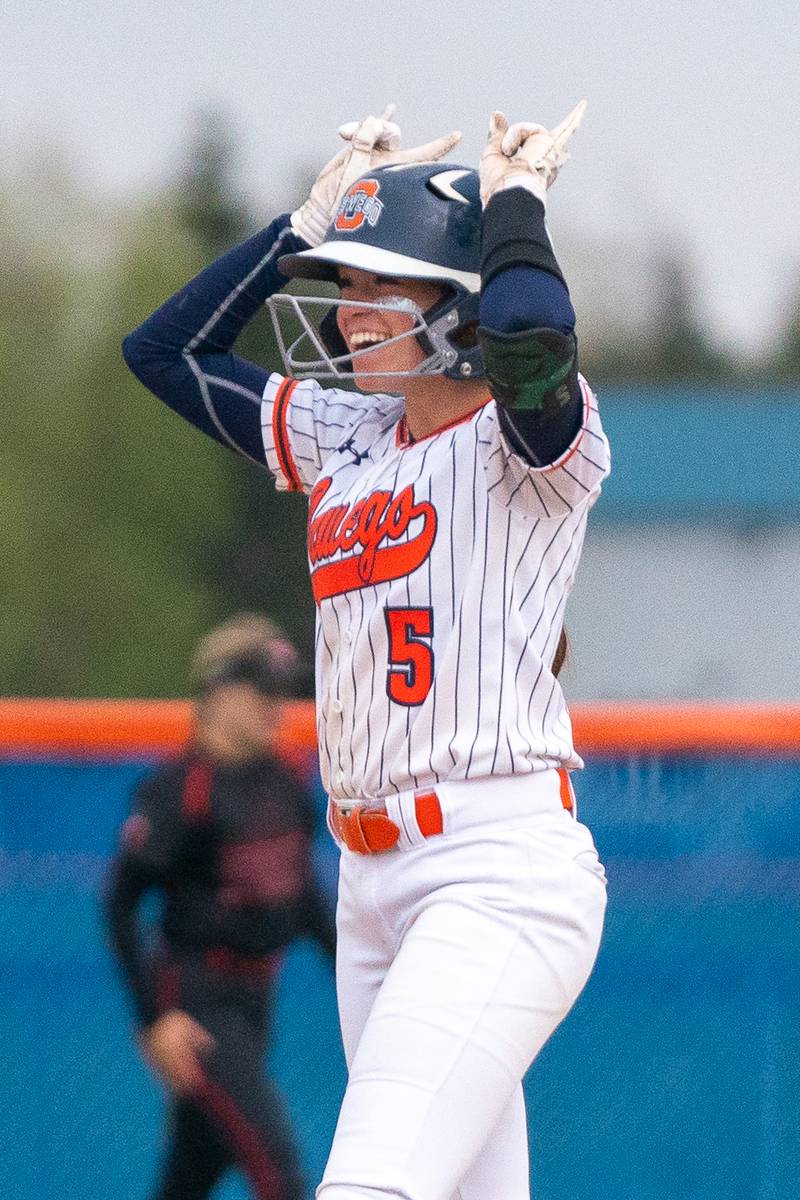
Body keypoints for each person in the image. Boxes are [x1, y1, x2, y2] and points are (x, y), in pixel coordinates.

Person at [122, 102, 610, 1200]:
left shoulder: (527, 438)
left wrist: (514, 210)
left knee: (367, 1186)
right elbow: (163, 352)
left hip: (493, 869)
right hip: (371, 882)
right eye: (340, 285)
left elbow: (534, 342)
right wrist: (297, 229)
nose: (345, 313)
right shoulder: (351, 435)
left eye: (373, 284)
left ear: (456, 309)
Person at [104, 613, 335, 1200]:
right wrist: (155, 1019)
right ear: (220, 690)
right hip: (200, 1003)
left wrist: (365, 977)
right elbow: (120, 906)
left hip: (258, 1000)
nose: (275, 706)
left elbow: (305, 897)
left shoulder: (284, 783)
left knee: (191, 1174)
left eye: (281, 693)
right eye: (262, 691)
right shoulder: (181, 790)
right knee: (276, 1166)